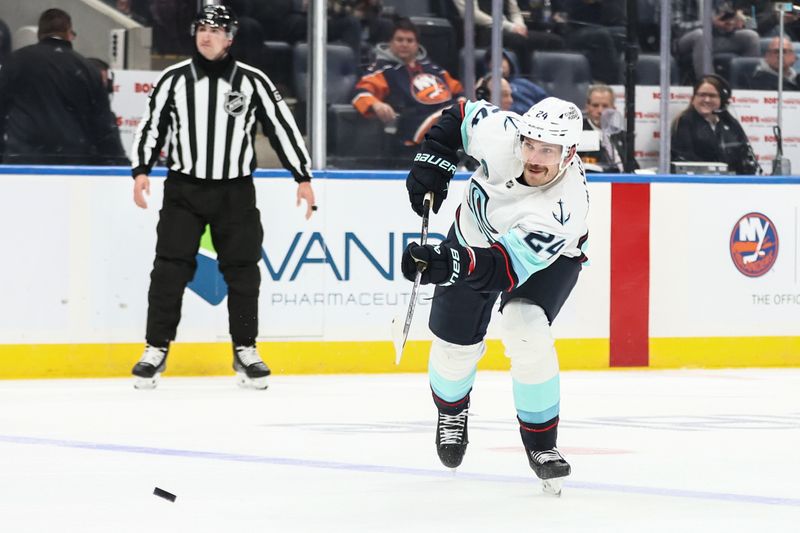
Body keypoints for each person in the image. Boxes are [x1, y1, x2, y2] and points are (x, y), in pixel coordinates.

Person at [401, 96, 589, 495]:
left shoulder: (563, 208)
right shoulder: (505, 134)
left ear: (569, 153)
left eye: (548, 150)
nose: (534, 157)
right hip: (472, 237)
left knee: (527, 328)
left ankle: (542, 445)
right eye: (530, 144)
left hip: (544, 261)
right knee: (454, 349)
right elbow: (460, 113)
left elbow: (504, 269)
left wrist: (451, 264)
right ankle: (452, 412)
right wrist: (432, 158)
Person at [129, 5, 316, 390]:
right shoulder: (174, 80)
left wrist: (302, 176)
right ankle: (155, 348)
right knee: (169, 269)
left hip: (234, 191)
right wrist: (141, 170)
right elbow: (152, 126)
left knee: (244, 272)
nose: (206, 35)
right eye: (201, 28)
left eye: (215, 30)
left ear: (230, 37)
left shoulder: (252, 81)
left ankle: (245, 349)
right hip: (184, 188)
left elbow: (281, 128)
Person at [0, 8, 128, 165]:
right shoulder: (87, 69)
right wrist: (120, 163)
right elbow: (103, 126)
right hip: (72, 163)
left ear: (39, 33)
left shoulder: (14, 62)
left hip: (21, 158)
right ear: (68, 33)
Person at [352, 18, 464, 157]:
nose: (404, 44)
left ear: (417, 44)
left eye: (409, 40)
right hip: (412, 127)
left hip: (448, 119)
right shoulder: (382, 70)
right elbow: (360, 94)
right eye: (399, 40)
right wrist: (376, 104)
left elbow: (458, 91)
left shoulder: (434, 69)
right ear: (390, 43)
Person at [671, 74, 760, 175]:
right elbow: (684, 159)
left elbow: (745, 155)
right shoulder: (684, 122)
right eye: (702, 95)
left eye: (712, 96)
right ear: (693, 99)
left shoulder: (730, 123)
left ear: (722, 100)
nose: (707, 100)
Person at [450, 0, 564, 75]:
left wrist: (520, 26)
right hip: (484, 30)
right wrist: (511, 27)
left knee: (554, 41)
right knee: (518, 41)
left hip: (511, 28)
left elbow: (514, 12)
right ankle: (524, 79)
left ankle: (546, 83)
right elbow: (472, 14)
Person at [677, 2, 760, 83]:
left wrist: (731, 25)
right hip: (685, 40)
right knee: (701, 35)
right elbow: (676, 28)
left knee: (751, 36)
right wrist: (709, 23)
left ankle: (747, 85)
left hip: (714, 37)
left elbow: (753, 26)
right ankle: (709, 85)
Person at [579, 84, 627, 172]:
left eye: (605, 106)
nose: (600, 111)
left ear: (613, 109)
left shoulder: (621, 135)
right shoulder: (578, 133)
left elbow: (633, 167)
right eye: (595, 105)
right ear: (587, 107)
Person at [484, 50, 548, 115]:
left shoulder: (524, 83)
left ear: (510, 62)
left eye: (501, 59)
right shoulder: (486, 85)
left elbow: (546, 100)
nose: (498, 64)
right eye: (492, 61)